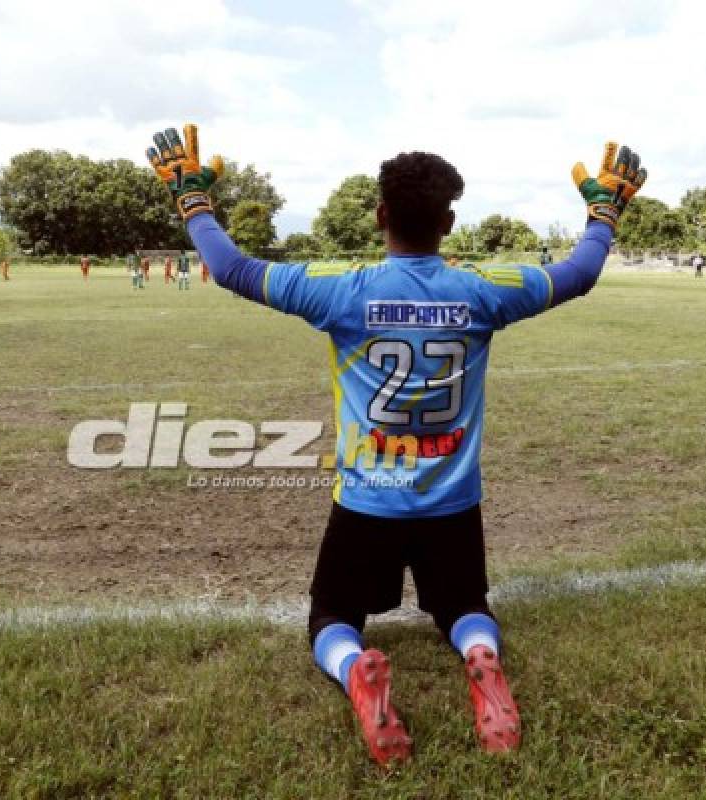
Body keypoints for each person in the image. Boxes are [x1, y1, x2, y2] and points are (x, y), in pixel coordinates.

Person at [147, 125, 645, 765]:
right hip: (452, 503)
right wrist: (602, 215)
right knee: (464, 605)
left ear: (382, 215)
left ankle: (355, 670)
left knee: (330, 617)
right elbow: (577, 274)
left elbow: (232, 269)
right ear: (449, 221)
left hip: (366, 503)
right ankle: (480, 657)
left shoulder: (342, 291)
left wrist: (195, 205)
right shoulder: (483, 291)